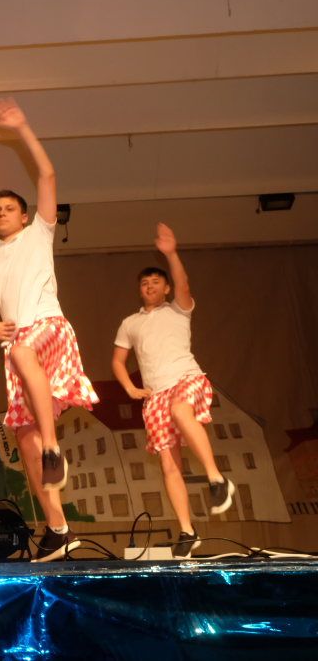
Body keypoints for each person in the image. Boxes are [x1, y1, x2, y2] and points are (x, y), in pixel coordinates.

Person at [0, 99, 98, 562]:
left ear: (24, 216)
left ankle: (54, 448)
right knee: (23, 439)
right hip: (17, 346)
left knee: (22, 353)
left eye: (9, 208)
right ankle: (58, 529)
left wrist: (22, 128)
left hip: (48, 329)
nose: (1, 213)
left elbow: (47, 175)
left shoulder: (39, 233)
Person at [112, 222, 236, 558]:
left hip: (186, 378)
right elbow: (118, 361)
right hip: (155, 395)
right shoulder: (130, 323)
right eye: (144, 283)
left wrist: (171, 254)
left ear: (166, 288)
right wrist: (130, 388)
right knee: (169, 464)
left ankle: (217, 480)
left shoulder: (179, 309)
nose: (149, 286)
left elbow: (184, 283)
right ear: (139, 291)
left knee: (182, 411)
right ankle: (187, 531)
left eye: (156, 281)